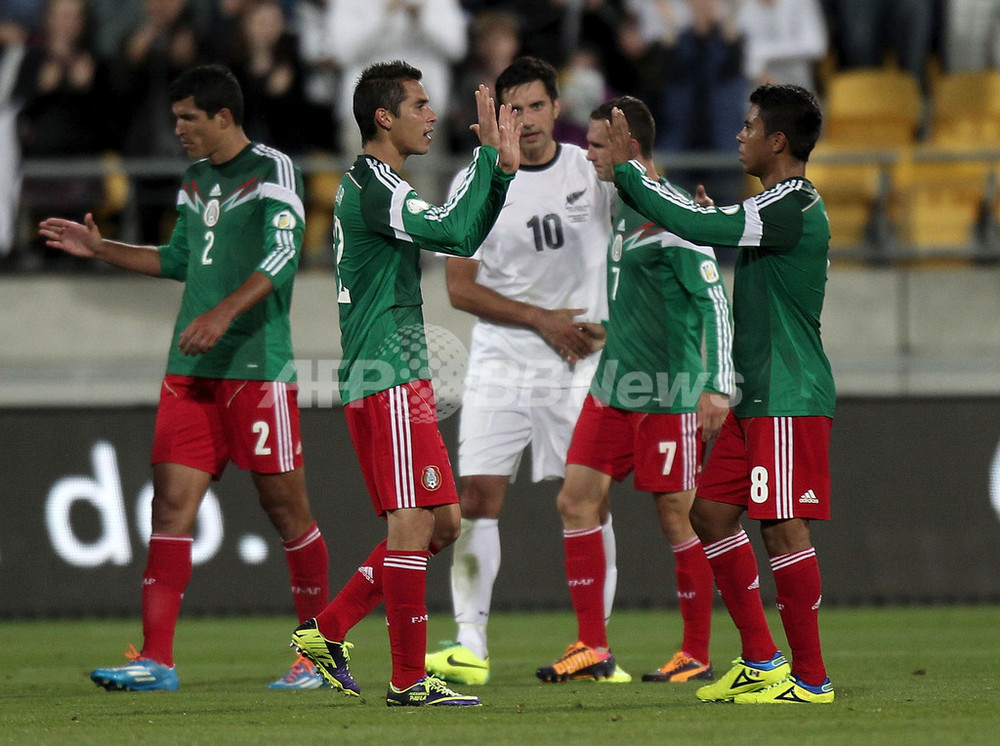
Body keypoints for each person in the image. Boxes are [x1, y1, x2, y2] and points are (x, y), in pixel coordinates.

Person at [39, 64, 331, 692]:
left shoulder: (273, 169)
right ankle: (157, 660)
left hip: (255, 367)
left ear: (224, 116)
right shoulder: (195, 180)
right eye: (175, 119)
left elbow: (284, 254)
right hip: (190, 369)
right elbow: (178, 259)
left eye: (187, 119)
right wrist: (103, 250)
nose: (177, 131)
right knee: (170, 509)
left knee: (287, 512)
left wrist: (223, 311)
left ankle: (318, 656)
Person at [288, 60, 521, 708]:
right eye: (419, 104)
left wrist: (493, 172)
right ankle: (409, 680)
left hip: (399, 375)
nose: (431, 115)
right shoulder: (375, 187)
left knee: (442, 520)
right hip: (385, 372)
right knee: (414, 520)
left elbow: (457, 228)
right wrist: (489, 164)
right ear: (383, 117)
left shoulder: (376, 184)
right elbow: (455, 231)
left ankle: (328, 631)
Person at [605, 83, 836, 703]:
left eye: (750, 126)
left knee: (783, 529)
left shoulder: (792, 203)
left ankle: (810, 680)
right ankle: (762, 662)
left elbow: (691, 221)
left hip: (788, 393)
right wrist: (707, 221)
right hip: (756, 395)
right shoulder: (774, 204)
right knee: (707, 513)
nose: (740, 135)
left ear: (778, 141)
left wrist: (631, 168)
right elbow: (711, 225)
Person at [423, 55, 624, 687]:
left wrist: (611, 328)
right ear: (497, 115)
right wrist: (541, 319)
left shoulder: (590, 173)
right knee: (478, 498)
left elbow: (644, 253)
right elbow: (459, 289)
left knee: (587, 502)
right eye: (514, 109)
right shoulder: (475, 182)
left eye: (538, 106)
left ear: (556, 109)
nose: (528, 120)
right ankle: (470, 644)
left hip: (579, 362)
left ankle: (595, 645)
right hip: (503, 357)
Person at [535, 95, 733, 684]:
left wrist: (716, 386)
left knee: (680, 518)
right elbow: (649, 301)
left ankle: (696, 650)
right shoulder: (622, 204)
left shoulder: (672, 211)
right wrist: (609, 330)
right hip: (614, 386)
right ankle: (591, 646)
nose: (589, 155)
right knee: (574, 501)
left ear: (629, 145)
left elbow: (711, 300)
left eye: (598, 144)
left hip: (667, 393)